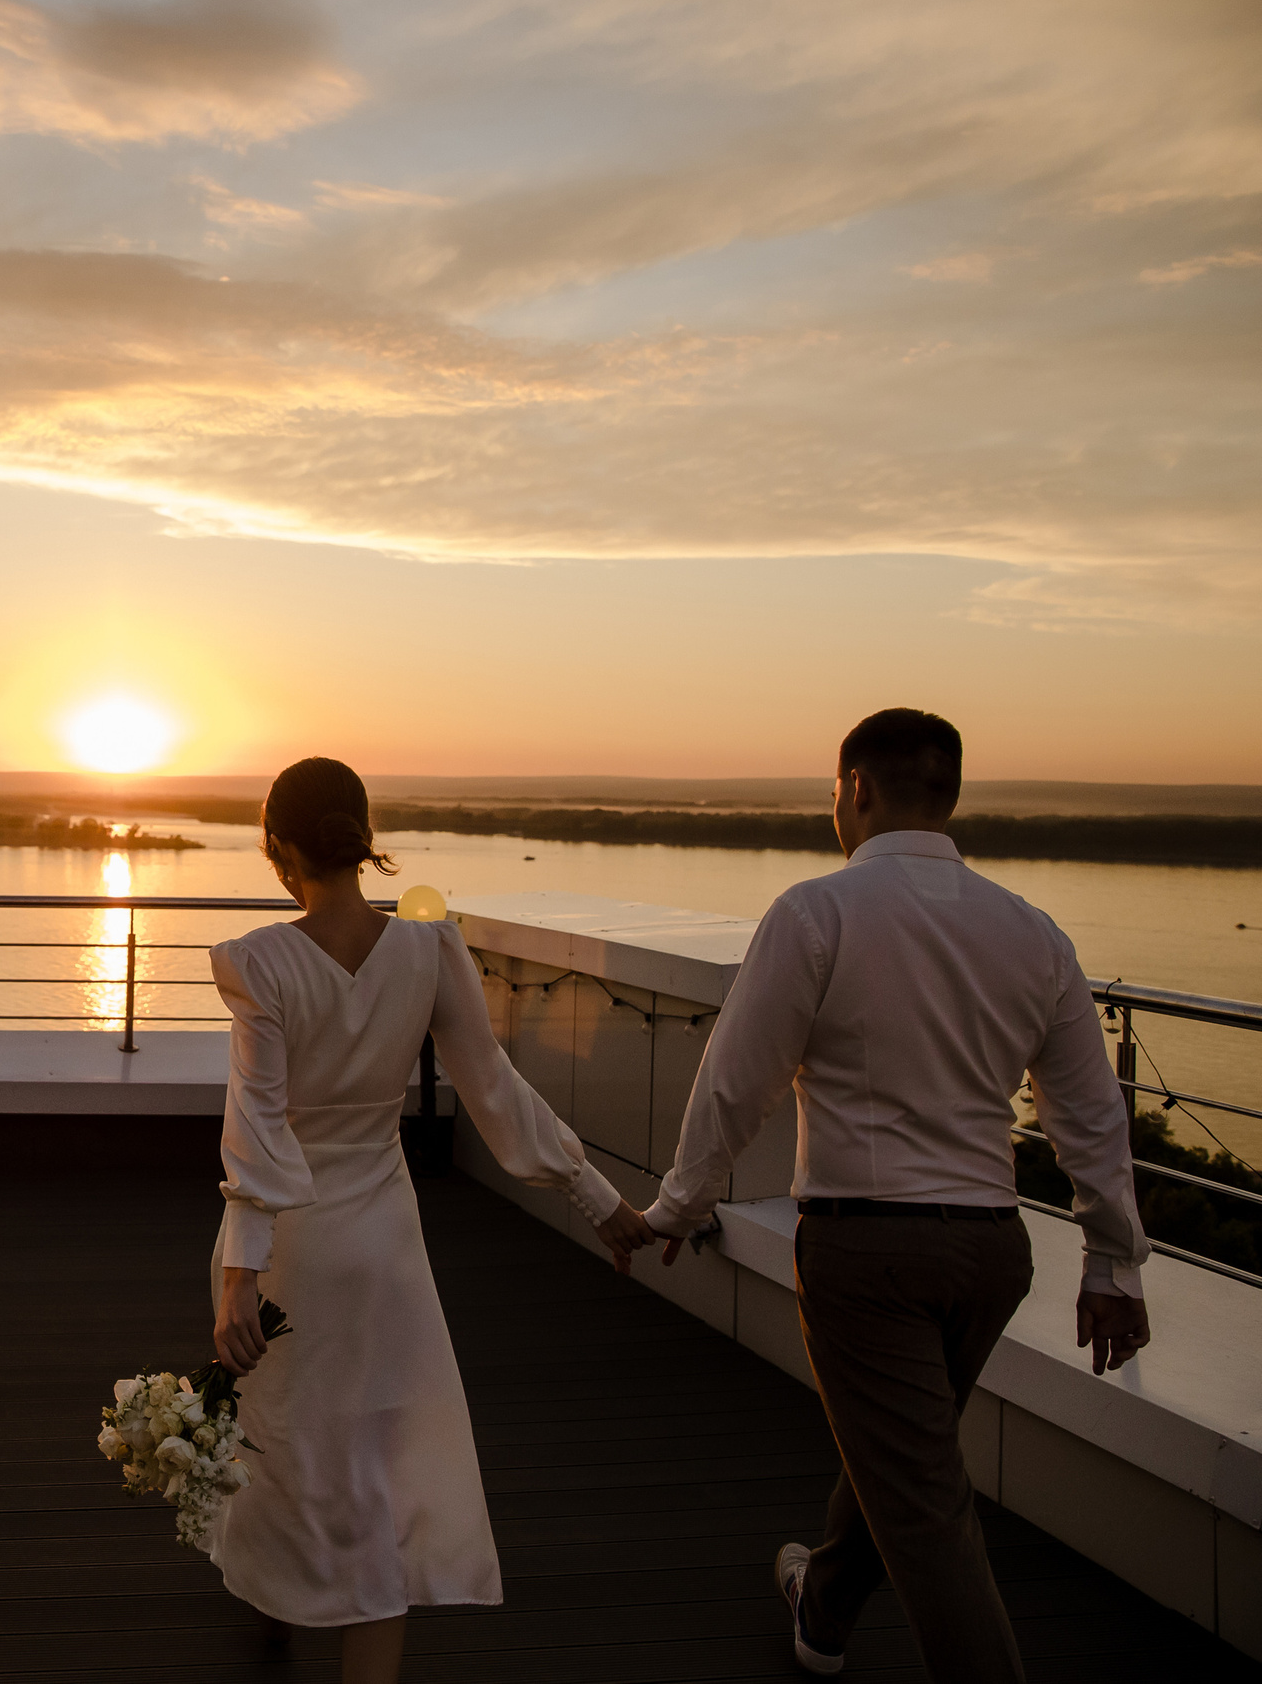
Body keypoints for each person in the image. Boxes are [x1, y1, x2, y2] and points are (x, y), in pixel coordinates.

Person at [640, 708, 1153, 1681]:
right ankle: (822, 1610)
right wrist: (1113, 1262)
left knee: (924, 1502)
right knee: (902, 1455)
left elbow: (733, 1083)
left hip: (865, 1253)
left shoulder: (814, 913)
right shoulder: (1033, 934)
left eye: (835, 791)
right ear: (948, 797)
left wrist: (677, 1205)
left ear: (856, 789)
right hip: (990, 1253)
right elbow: (1089, 1117)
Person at [208, 757, 655, 1683]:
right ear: (362, 837)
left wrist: (240, 1274)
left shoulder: (260, 961)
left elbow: (255, 1129)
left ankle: (283, 1602)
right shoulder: (430, 948)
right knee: (375, 1446)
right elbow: (495, 1092)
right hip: (387, 1241)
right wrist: (600, 1201)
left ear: (281, 849)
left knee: (286, 1428)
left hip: (300, 1241)